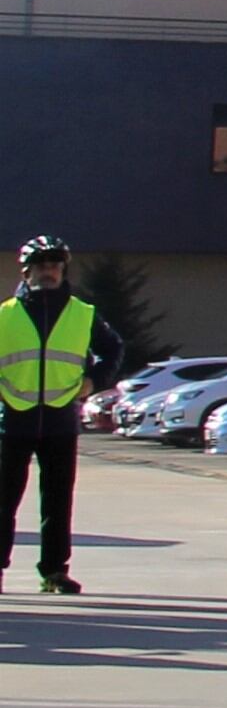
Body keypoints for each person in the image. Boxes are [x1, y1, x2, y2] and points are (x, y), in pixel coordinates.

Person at [3, 233, 121, 596]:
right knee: (3, 500)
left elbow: (113, 348)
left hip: (59, 421)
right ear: (26, 273)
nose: (48, 273)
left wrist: (94, 380)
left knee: (57, 502)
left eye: (54, 266)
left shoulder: (82, 314)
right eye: (41, 267)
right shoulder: (5, 315)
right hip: (13, 418)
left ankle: (54, 572)